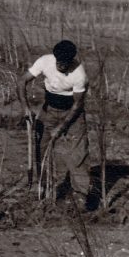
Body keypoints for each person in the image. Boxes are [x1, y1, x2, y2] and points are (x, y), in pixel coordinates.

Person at [17, 40, 98, 211]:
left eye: (65, 63)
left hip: (73, 114)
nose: (61, 66)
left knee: (78, 154)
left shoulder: (79, 75)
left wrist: (60, 128)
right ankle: (42, 185)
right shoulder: (45, 61)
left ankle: (80, 195)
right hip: (49, 109)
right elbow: (22, 81)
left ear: (71, 61)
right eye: (58, 62)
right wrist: (26, 107)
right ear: (54, 58)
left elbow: (77, 105)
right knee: (41, 146)